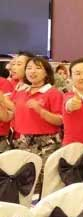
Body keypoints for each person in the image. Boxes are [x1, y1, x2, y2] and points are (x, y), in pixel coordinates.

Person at [1, 56, 63, 195]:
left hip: (45, 144)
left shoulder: (53, 93)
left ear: (46, 72)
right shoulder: (21, 91)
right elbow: (10, 116)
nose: (32, 71)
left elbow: (59, 120)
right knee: (22, 185)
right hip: (21, 142)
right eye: (29, 68)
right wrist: (2, 104)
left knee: (42, 184)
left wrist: (40, 110)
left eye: (37, 68)